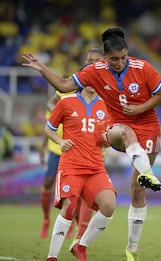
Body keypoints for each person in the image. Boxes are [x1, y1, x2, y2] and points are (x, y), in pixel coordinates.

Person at [22, 26, 161, 261]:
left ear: (127, 53)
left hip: (147, 129)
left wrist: (138, 108)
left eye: (122, 58)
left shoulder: (143, 68)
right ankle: (147, 173)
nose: (119, 63)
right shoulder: (93, 74)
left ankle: (127, 248)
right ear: (105, 58)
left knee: (135, 191)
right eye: (113, 59)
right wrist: (42, 69)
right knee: (125, 132)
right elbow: (63, 86)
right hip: (113, 132)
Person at [44, 86, 116, 261]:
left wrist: (111, 140)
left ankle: (80, 246)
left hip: (95, 167)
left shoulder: (106, 105)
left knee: (109, 205)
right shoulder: (67, 102)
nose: (95, 82)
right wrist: (60, 141)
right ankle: (52, 257)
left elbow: (108, 136)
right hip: (72, 166)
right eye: (91, 78)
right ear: (83, 81)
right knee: (69, 208)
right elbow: (48, 128)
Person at [38, 47, 103, 240]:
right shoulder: (73, 84)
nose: (92, 63)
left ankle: (78, 232)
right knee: (49, 182)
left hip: (88, 150)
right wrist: (65, 112)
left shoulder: (105, 88)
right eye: (89, 59)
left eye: (96, 60)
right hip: (59, 147)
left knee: (82, 194)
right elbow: (52, 111)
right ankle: (46, 220)